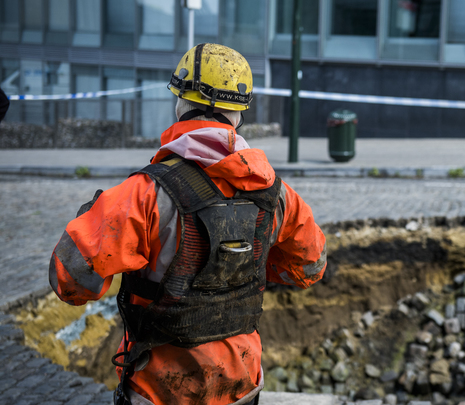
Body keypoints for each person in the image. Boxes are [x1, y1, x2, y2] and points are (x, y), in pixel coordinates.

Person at [48, 43, 327, 405]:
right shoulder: (278, 195)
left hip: (158, 390)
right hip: (242, 387)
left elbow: (70, 284)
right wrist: (238, 267)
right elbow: (309, 269)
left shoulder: (142, 195)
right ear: (238, 114)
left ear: (180, 102)